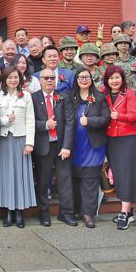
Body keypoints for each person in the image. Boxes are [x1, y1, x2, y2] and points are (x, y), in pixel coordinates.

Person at [0, 66, 36, 228]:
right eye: (9, 77)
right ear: (4, 80)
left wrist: (29, 143)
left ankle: (19, 212)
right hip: (3, 140)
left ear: (20, 79)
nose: (13, 80)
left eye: (16, 77)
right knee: (6, 175)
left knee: (20, 175)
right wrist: (6, 120)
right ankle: (8, 211)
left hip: (20, 139)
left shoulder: (26, 97)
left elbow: (30, 120)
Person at [31, 68, 77, 227]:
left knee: (65, 180)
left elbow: (70, 121)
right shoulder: (34, 98)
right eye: (46, 78)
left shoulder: (63, 97)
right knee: (43, 181)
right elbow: (29, 122)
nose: (50, 81)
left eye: (52, 78)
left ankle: (66, 213)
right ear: (40, 80)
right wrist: (45, 125)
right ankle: (44, 213)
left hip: (61, 145)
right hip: (43, 145)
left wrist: (67, 146)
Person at [69, 67, 110, 228]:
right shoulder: (70, 97)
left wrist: (90, 121)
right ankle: (78, 210)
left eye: (86, 77)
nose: (84, 80)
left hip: (93, 145)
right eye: (80, 77)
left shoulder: (99, 98)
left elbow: (106, 119)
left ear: (91, 79)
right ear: (76, 80)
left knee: (90, 179)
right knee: (76, 178)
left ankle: (88, 213)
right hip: (75, 144)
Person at [102, 65, 136, 230]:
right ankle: (129, 210)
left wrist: (120, 117)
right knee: (117, 175)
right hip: (111, 139)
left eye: (117, 77)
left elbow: (134, 116)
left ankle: (124, 212)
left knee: (126, 174)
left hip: (127, 138)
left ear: (122, 79)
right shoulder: (103, 95)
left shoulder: (129, 94)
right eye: (111, 78)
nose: (114, 81)